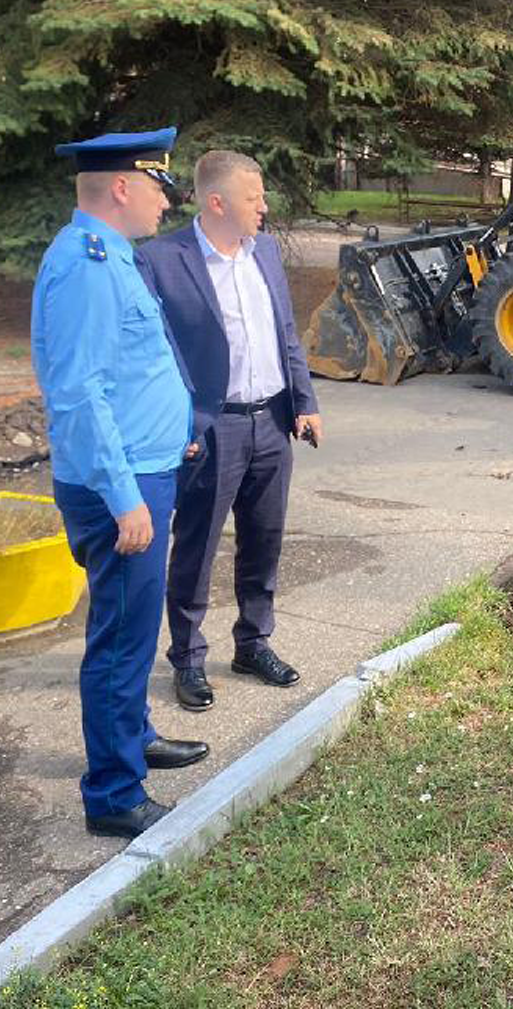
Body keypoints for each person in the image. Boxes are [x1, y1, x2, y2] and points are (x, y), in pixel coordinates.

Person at [31, 127, 210, 841]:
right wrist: (124, 496)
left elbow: (132, 370)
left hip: (145, 465)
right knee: (120, 640)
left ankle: (131, 739)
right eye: (161, 186)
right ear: (124, 188)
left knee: (136, 627)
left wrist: (174, 430)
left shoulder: (115, 257)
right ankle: (111, 792)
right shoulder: (85, 264)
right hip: (122, 486)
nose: (167, 201)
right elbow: (76, 393)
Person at [135, 149, 321, 713]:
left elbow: (285, 333)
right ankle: (187, 659)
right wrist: (181, 424)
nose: (264, 207)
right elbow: (159, 355)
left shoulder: (263, 249)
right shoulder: (163, 260)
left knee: (264, 540)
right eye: (253, 198)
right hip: (211, 430)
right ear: (216, 202)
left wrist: (304, 401)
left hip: (272, 422)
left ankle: (252, 643)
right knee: (196, 546)